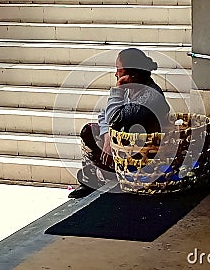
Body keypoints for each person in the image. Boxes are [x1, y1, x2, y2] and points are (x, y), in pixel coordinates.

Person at [68, 48, 171, 198]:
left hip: (140, 154)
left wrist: (117, 90)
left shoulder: (151, 97)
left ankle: (107, 177)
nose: (116, 74)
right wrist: (107, 136)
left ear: (132, 74)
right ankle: (93, 179)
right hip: (123, 141)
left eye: (119, 70)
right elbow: (104, 115)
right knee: (89, 131)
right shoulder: (131, 89)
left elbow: (114, 118)